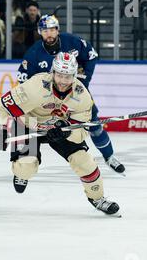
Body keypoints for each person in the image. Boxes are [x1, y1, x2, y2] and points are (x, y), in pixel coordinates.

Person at [0, 52, 120, 216]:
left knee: (84, 162)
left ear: (74, 75)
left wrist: (66, 132)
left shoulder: (82, 96)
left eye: (68, 76)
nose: (63, 81)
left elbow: (80, 132)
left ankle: (97, 198)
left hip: (60, 130)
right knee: (26, 168)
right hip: (29, 124)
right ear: (53, 72)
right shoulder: (35, 86)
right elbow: (4, 106)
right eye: (59, 75)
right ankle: (21, 173)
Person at [17, 14, 125, 175]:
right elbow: (24, 82)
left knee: (94, 125)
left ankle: (109, 157)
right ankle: (25, 167)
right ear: (40, 32)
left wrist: (84, 79)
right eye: (45, 30)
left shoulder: (73, 42)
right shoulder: (33, 54)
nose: (49, 34)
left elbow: (91, 56)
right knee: (37, 130)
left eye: (52, 29)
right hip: (49, 101)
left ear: (57, 30)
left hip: (75, 95)